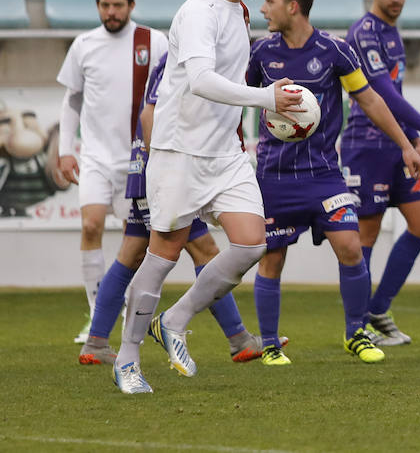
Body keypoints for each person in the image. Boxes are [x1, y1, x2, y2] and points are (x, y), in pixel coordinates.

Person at [112, 0, 303, 394]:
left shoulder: (239, 12)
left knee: (251, 244)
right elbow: (199, 80)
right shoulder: (199, 12)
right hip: (180, 151)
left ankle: (174, 321)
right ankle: (127, 358)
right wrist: (266, 99)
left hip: (224, 154)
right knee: (163, 255)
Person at [247, 0, 420, 366]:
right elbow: (238, 101)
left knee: (350, 246)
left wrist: (406, 143)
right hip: (274, 177)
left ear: (293, 7)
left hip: (325, 175)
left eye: (270, 1)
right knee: (272, 258)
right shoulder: (260, 53)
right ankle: (271, 344)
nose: (263, 8)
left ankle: (356, 333)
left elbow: (372, 100)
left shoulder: (335, 50)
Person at [78, 52, 277, 366]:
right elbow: (149, 115)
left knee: (133, 251)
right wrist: (165, 172)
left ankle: (96, 342)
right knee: (204, 251)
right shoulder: (185, 58)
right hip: (167, 173)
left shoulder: (192, 56)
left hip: (154, 170)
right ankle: (237, 338)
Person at [56, 0, 167, 344]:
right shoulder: (84, 44)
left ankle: (121, 316)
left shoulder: (153, 41)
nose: (111, 11)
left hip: (138, 160)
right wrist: (65, 149)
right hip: (96, 158)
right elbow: (72, 99)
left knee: (131, 245)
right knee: (91, 226)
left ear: (131, 5)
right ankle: (95, 315)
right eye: (105, 5)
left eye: (118, 4)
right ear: (98, 6)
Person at [342, 0, 420, 346]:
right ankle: (358, 325)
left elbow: (395, 94)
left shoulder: (392, 32)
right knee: (366, 234)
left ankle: (378, 308)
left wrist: (413, 141)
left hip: (397, 144)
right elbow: (380, 92)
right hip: (366, 146)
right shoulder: (364, 33)